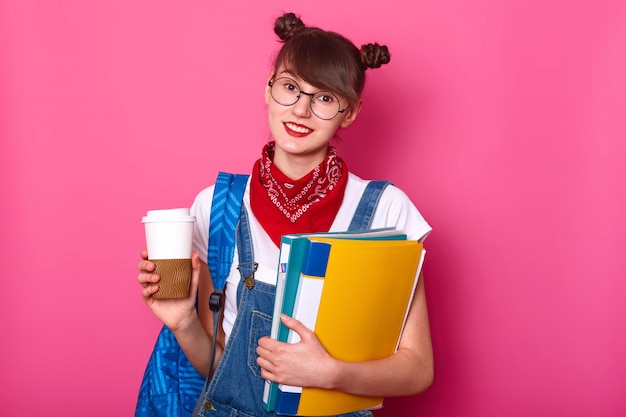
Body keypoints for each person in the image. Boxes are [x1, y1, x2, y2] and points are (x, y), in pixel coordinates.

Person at [137, 11, 434, 417]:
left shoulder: (387, 209)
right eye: (290, 87)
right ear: (268, 88)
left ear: (350, 112)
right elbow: (223, 372)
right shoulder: (217, 206)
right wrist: (182, 322)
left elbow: (418, 369)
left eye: (325, 98)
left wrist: (331, 373)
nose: (301, 110)